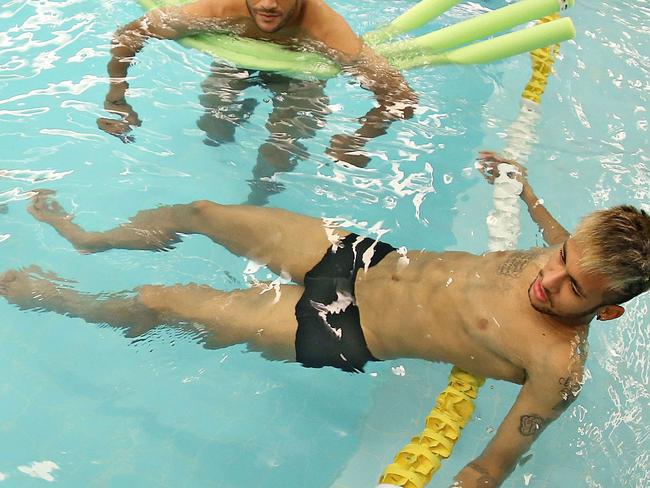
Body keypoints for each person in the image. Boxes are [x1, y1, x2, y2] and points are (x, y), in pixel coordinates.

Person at [2, 152, 648, 487]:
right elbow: (555, 233)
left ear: (608, 308)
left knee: (158, 302)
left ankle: (62, 299)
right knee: (200, 209)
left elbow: (489, 469)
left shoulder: (554, 366)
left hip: (342, 327)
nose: (548, 279)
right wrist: (523, 187)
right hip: (365, 258)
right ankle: (92, 240)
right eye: (559, 259)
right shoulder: (570, 254)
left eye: (571, 290)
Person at [98, 0, 418, 203]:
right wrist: (116, 98)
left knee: (279, 154)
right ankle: (215, 159)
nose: (268, 4)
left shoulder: (326, 29)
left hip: (303, 68)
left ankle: (258, 199)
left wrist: (359, 138)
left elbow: (401, 97)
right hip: (237, 54)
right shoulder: (220, 10)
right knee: (215, 125)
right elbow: (129, 35)